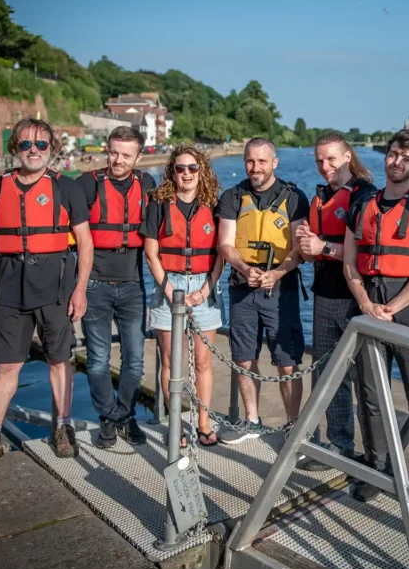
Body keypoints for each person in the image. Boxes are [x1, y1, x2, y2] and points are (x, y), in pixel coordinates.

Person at [0, 117, 92, 472]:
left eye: (41, 145)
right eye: (26, 144)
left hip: (56, 289)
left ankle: (63, 427)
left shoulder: (67, 189)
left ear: (52, 150)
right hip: (8, 289)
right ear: (14, 148)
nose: (33, 151)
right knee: (7, 366)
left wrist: (80, 289)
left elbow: (84, 241)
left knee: (58, 360)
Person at [343, 129, 409, 512]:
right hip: (370, 306)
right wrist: (367, 303)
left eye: (406, 158)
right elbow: (350, 263)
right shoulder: (362, 204)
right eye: (393, 154)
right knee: (370, 396)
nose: (396, 162)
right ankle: (376, 469)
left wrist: (393, 308)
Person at [215, 137, 308, 444]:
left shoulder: (294, 197)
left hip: (282, 290)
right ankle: (252, 420)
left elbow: (299, 249)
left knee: (287, 361)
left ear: (274, 163)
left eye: (262, 161)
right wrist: (246, 270)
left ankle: (293, 425)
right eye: (250, 161)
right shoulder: (231, 196)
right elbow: (226, 244)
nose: (255, 168)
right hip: (242, 288)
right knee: (243, 357)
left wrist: (277, 272)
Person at [295, 132, 376, 471]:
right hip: (324, 295)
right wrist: (305, 245)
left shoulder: (365, 195)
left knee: (368, 381)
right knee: (329, 375)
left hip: (357, 297)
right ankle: (341, 446)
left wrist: (322, 248)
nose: (324, 166)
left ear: (346, 157)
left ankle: (376, 457)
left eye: (330, 159)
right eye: (318, 160)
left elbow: (368, 251)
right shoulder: (321, 197)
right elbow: (314, 252)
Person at [75, 126, 155, 448]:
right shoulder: (87, 183)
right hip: (95, 285)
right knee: (96, 360)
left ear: (138, 156)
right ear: (106, 150)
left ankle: (126, 414)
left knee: (134, 360)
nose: (118, 160)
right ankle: (108, 417)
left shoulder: (147, 184)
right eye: (113, 152)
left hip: (133, 285)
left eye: (125, 155)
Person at [143, 146, 225, 447]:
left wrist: (206, 289)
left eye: (192, 168)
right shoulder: (159, 205)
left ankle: (204, 424)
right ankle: (175, 424)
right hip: (169, 284)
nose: (186, 173)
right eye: (180, 168)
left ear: (200, 170)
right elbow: (151, 254)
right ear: (172, 172)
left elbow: (221, 254)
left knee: (203, 362)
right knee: (170, 362)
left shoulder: (214, 206)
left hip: (205, 284)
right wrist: (169, 290)